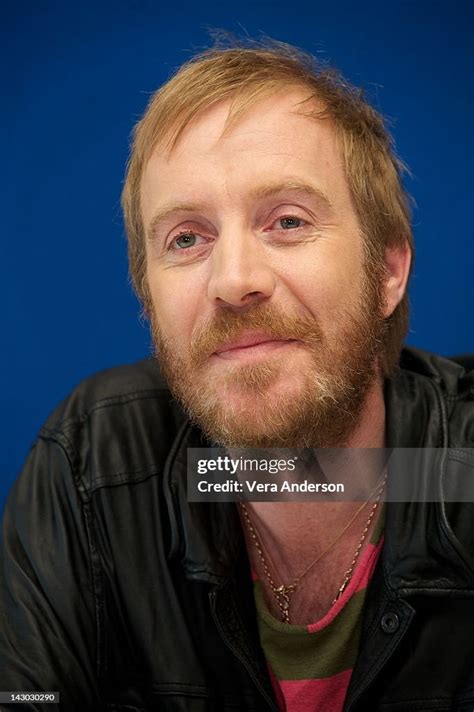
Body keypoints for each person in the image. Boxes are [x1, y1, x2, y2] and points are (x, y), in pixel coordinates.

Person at [1, 39, 473, 712]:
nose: (233, 281)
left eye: (287, 221)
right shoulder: (94, 466)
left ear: (388, 272)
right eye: (186, 238)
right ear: (149, 300)